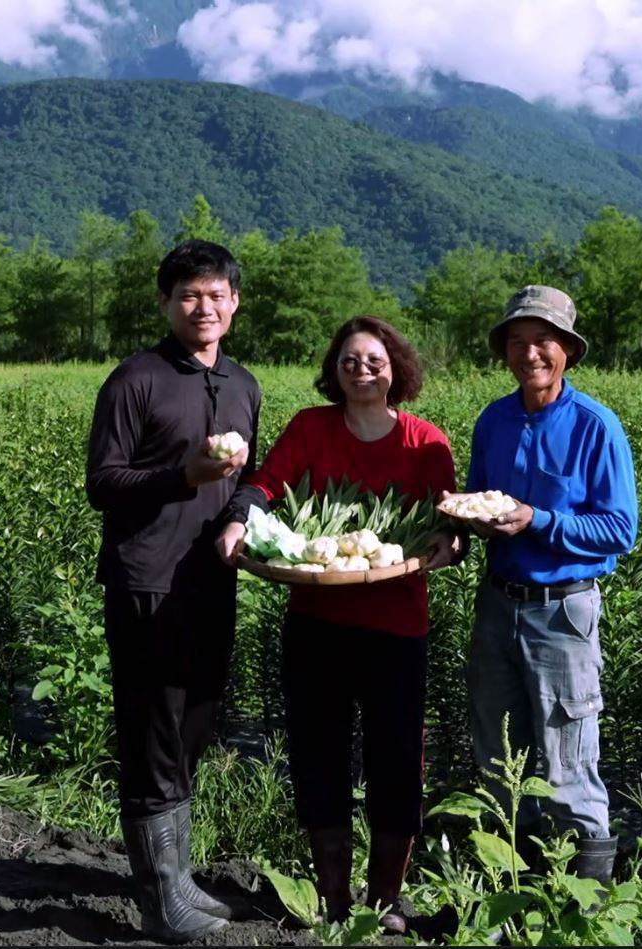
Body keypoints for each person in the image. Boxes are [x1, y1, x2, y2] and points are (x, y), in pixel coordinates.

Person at [216, 316, 460, 933]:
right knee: (318, 754)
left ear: (396, 368)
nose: (361, 370)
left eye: (373, 359)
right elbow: (267, 483)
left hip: (396, 629)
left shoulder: (425, 441)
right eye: (349, 361)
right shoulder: (310, 428)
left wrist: (449, 545)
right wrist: (242, 519)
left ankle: (385, 901)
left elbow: (449, 524)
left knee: (398, 759)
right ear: (335, 370)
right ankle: (332, 900)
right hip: (317, 623)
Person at [84, 240, 261, 942]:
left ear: (235, 303)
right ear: (165, 303)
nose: (204, 306)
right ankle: (160, 899)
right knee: (153, 731)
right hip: (147, 581)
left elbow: (256, 472)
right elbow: (103, 482)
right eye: (189, 294)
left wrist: (242, 513)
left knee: (194, 726)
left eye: (216, 294)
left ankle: (178, 877)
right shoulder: (135, 380)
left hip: (211, 581)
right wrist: (180, 478)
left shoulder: (243, 383)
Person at [461, 285, 638, 885]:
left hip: (564, 613)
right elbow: (478, 498)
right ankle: (506, 887)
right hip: (497, 606)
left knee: (567, 764)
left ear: (566, 350)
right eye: (517, 342)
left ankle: (584, 907)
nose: (530, 353)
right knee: (496, 757)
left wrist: (538, 520)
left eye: (543, 342)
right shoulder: (495, 419)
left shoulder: (595, 425)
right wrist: (461, 523)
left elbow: (620, 528)